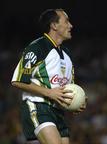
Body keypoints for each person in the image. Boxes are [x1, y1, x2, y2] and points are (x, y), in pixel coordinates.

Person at [11, 8, 86, 144]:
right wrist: (49, 92)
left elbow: (67, 88)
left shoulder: (67, 54)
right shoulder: (37, 47)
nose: (71, 25)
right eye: (67, 21)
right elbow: (18, 80)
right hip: (38, 106)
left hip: (58, 112)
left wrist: (75, 101)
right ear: (54, 25)